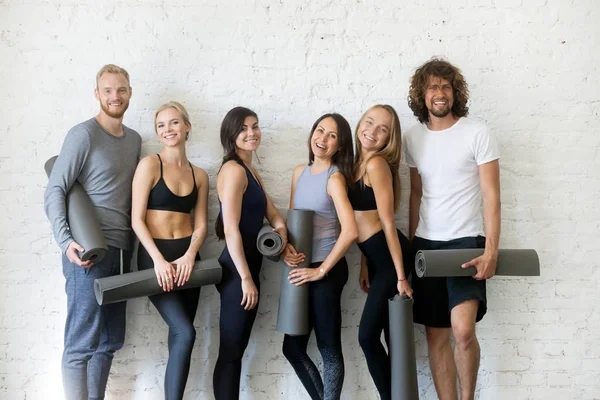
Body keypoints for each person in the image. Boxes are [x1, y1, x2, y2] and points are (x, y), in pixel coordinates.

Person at [404, 58, 501, 400]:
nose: (440, 93)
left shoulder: (477, 133)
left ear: (455, 92)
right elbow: (416, 193)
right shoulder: (412, 137)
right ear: (422, 94)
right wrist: (411, 245)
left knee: (462, 332)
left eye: (446, 87)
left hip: (465, 243)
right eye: (432, 87)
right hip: (426, 246)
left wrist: (490, 251)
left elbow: (492, 196)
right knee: (436, 336)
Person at [44, 64, 141, 400]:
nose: (115, 96)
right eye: (108, 90)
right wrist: (66, 240)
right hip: (87, 253)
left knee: (110, 342)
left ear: (130, 92)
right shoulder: (83, 134)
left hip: (121, 253)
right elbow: (55, 187)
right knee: (80, 345)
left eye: (122, 89)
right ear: (97, 94)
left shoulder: (135, 141)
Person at [131, 101, 209, 399]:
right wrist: (158, 261)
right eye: (161, 125)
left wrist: (190, 254)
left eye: (174, 123)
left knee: (181, 336)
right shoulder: (150, 164)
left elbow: (200, 225)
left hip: (190, 261)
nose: (168, 130)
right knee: (185, 333)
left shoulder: (199, 174)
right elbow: (137, 221)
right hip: (155, 259)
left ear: (187, 126)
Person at [212, 106, 287, 400]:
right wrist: (245, 278)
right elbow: (231, 229)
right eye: (243, 128)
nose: (251, 133)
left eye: (255, 126)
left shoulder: (250, 171)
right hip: (236, 271)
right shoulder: (232, 170)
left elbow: (275, 217)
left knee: (237, 350)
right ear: (230, 135)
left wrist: (282, 235)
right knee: (230, 351)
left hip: (249, 269)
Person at [281, 113, 358, 400]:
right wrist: (286, 245)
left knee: (329, 349)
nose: (322, 139)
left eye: (332, 135)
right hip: (301, 269)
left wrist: (321, 271)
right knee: (292, 348)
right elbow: (294, 219)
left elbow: (350, 231)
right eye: (320, 130)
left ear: (340, 146)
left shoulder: (334, 178)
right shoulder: (299, 172)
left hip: (327, 271)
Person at [347, 104, 412, 400]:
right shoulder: (357, 164)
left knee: (367, 337)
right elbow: (365, 219)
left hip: (390, 260)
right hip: (375, 257)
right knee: (387, 336)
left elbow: (387, 222)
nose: (372, 132)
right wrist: (364, 265)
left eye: (382, 129)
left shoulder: (376, 165)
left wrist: (400, 277)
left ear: (389, 139)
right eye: (369, 123)